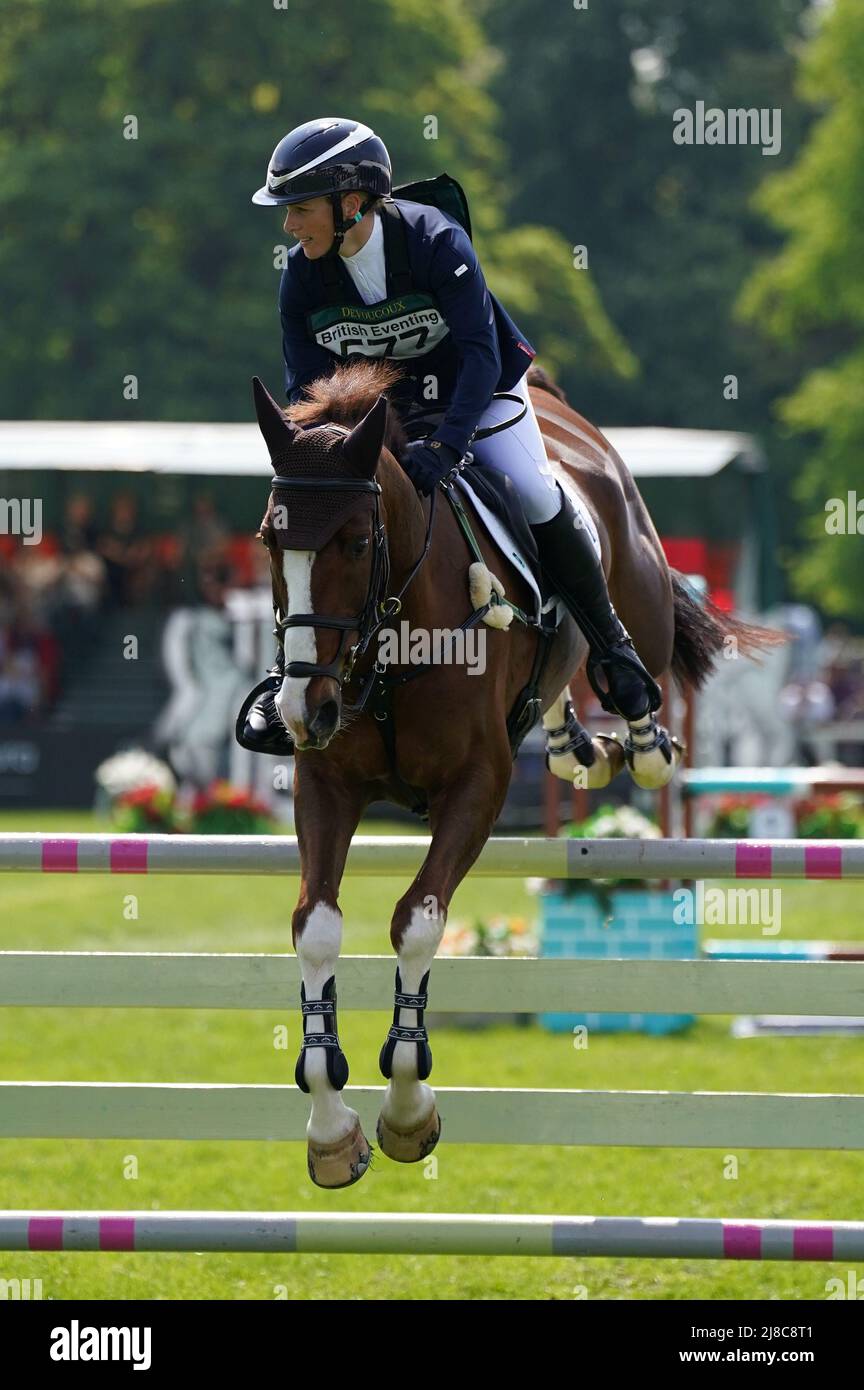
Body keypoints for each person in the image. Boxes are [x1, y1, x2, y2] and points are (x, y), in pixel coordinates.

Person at [239, 117, 660, 754]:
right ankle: (289, 670)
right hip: (383, 419)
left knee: (535, 492)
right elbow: (307, 392)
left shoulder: (436, 243)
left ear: (351, 204)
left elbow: (480, 355)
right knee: (312, 523)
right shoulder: (301, 275)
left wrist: (448, 444)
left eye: (299, 209)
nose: (289, 226)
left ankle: (611, 647)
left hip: (477, 397)